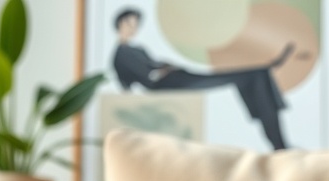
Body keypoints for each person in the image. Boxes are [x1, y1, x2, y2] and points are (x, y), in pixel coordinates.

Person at [112, 8, 293, 150]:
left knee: (255, 76)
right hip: (169, 85)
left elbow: (154, 65)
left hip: (179, 77)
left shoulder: (137, 49)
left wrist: (166, 67)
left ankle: (278, 142)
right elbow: (139, 81)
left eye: (135, 24)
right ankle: (279, 144)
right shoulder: (121, 54)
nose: (132, 28)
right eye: (129, 23)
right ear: (120, 24)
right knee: (249, 77)